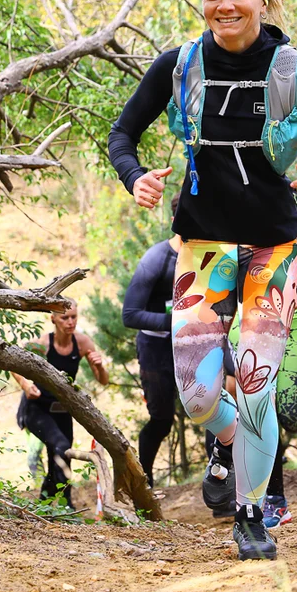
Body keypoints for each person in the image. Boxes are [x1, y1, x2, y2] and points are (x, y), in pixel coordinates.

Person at [109, 0, 297, 560]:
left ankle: (252, 516)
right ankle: (236, 444)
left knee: (254, 386)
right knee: (197, 396)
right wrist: (134, 174)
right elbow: (121, 134)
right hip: (202, 247)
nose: (226, 6)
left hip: (273, 250)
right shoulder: (178, 66)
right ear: (203, 1)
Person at [215, 189, 297, 528]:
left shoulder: (294, 199)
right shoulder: (220, 201)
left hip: (293, 313)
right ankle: (274, 500)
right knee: (258, 406)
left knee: (289, 409)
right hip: (246, 319)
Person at [13, 299, 107, 506]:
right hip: (37, 408)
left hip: (63, 410)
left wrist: (99, 367)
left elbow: (103, 380)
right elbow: (12, 362)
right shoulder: (42, 344)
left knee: (60, 453)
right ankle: (66, 503)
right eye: (65, 318)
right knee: (61, 447)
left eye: (73, 317)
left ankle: (44, 505)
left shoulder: (82, 343)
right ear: (53, 319)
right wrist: (26, 385)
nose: (70, 322)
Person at [122, 194, 183, 489]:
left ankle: (221, 488)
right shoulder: (157, 258)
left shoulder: (212, 255)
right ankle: (142, 484)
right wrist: (174, 322)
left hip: (195, 344)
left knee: (217, 409)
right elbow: (130, 314)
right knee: (162, 421)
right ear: (175, 220)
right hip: (156, 348)